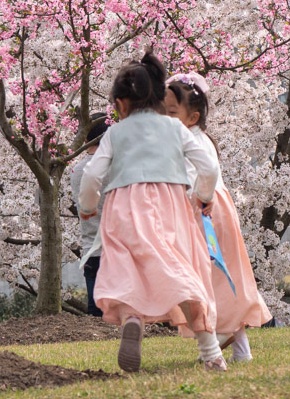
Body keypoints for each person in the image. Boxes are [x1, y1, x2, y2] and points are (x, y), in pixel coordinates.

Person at [79, 50, 227, 372]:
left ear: (119, 104)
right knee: (181, 270)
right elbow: (209, 165)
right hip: (169, 207)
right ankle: (210, 351)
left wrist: (87, 207)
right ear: (160, 97)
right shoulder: (176, 130)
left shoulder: (115, 132)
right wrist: (203, 195)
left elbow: (92, 174)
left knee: (127, 267)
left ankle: (133, 318)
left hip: (122, 208)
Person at [165, 72, 272, 363]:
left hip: (204, 212)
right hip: (214, 210)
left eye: (172, 112)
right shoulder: (195, 138)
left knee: (208, 280)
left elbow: (200, 176)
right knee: (224, 277)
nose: (165, 118)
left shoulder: (189, 141)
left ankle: (220, 338)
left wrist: (200, 197)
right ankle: (241, 348)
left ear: (193, 116)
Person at [71, 117, 109, 317]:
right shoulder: (115, 167)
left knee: (96, 312)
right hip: (117, 247)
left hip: (91, 247)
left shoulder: (77, 171)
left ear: (86, 138)